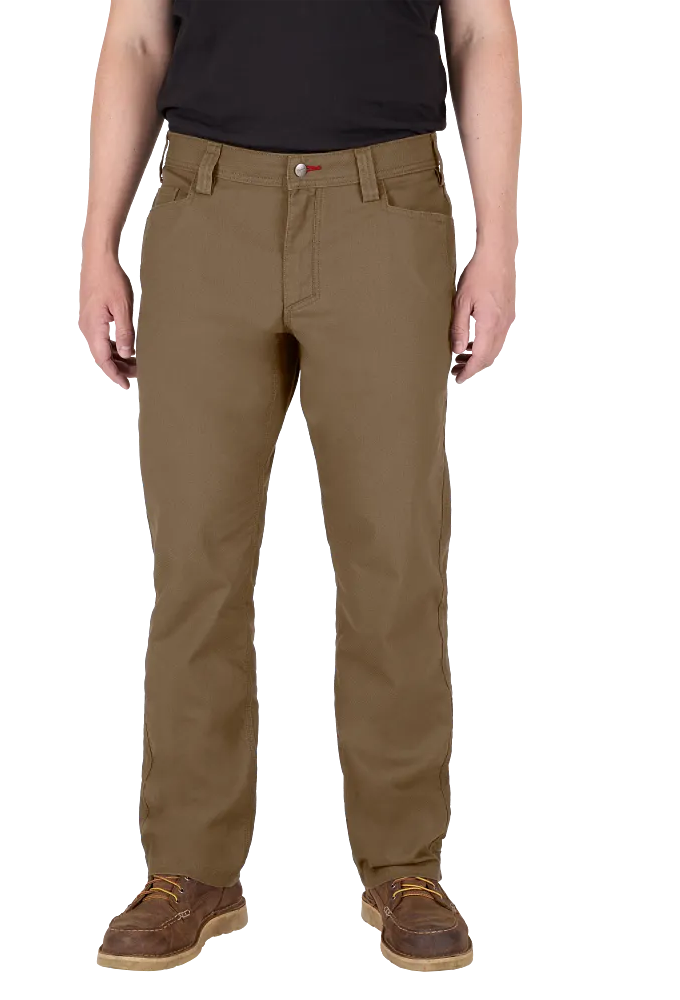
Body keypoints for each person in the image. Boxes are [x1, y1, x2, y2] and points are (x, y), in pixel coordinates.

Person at [81, 0, 520, 975]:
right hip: (205, 200)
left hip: (385, 203)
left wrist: (497, 246)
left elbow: (482, 29)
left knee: (395, 556)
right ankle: (188, 869)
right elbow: (138, 37)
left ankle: (405, 868)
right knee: (195, 559)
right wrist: (98, 242)